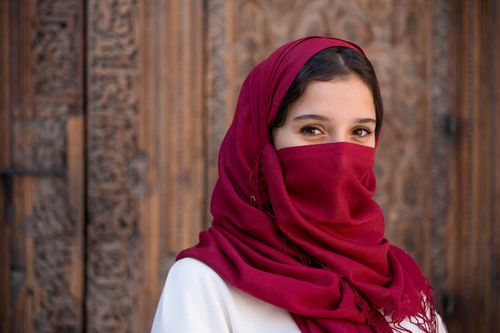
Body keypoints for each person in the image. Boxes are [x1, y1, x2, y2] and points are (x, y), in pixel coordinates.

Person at [151, 36, 447, 333]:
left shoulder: (397, 283)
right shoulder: (205, 283)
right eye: (312, 129)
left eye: (360, 131)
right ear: (263, 141)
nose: (341, 156)